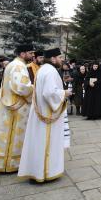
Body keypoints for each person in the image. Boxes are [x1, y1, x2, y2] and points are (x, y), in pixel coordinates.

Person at [18, 48, 72, 182]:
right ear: (53, 58)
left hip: (40, 113)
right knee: (46, 142)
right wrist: (64, 93)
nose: (61, 60)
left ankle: (36, 171)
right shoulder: (50, 71)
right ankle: (45, 172)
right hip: (48, 115)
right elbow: (49, 93)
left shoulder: (43, 69)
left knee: (38, 143)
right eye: (59, 57)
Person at [0, 44, 34, 173]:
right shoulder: (18, 66)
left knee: (4, 133)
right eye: (30, 53)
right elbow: (22, 87)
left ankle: (1, 161)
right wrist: (36, 88)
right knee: (13, 134)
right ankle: (10, 163)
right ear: (23, 54)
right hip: (16, 107)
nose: (32, 55)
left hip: (8, 103)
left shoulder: (13, 64)